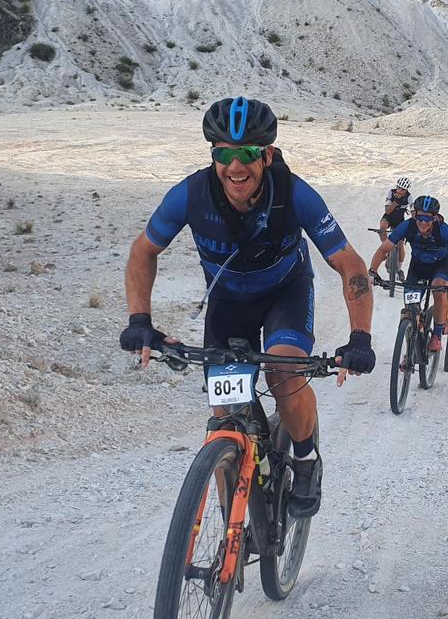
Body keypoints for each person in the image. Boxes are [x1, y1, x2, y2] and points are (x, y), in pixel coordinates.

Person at [120, 96, 376, 520]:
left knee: (283, 373)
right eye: (224, 153)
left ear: (267, 155)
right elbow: (143, 251)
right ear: (213, 156)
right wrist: (140, 321)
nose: (235, 166)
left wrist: (361, 337)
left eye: (248, 154)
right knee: (224, 414)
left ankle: (307, 459)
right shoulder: (191, 195)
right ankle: (231, 532)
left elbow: (349, 264)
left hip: (285, 295)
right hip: (228, 304)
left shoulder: (295, 194)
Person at [369, 195, 448, 352]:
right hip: (418, 267)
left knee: (439, 288)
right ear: (414, 215)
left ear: (435, 218)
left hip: (440, 266)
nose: (422, 222)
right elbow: (384, 249)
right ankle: (409, 351)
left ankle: (436, 336)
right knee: (410, 312)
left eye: (427, 218)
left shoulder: (444, 231)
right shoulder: (407, 226)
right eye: (419, 217)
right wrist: (372, 271)